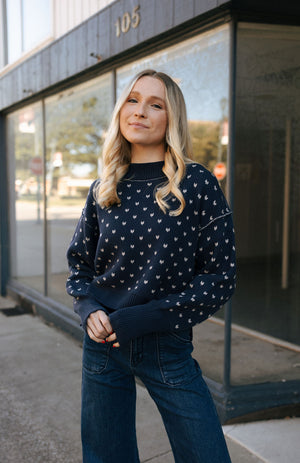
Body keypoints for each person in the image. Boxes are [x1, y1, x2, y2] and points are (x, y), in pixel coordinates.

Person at [66, 69, 236, 463]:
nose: (140, 111)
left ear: (171, 118)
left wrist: (144, 318)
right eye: (132, 100)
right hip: (102, 344)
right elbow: (79, 265)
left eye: (155, 104)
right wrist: (88, 309)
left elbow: (219, 279)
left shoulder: (196, 183)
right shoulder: (103, 185)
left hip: (166, 346)